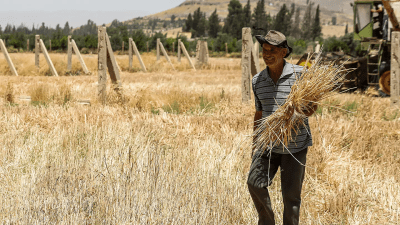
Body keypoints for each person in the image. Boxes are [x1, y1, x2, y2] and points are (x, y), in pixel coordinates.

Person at [247, 30, 317, 225]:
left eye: (272, 50)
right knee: (254, 183)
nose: (267, 54)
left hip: (295, 146)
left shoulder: (300, 75)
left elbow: (312, 108)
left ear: (284, 52)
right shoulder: (257, 81)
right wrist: (255, 143)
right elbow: (259, 114)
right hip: (267, 145)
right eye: (264, 50)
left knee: (291, 199)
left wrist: (299, 112)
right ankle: (267, 222)